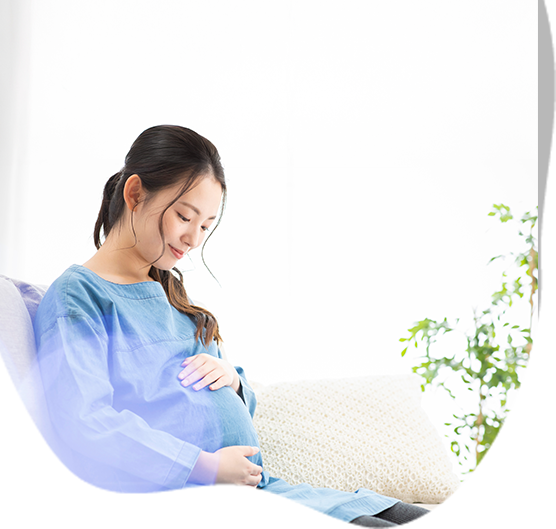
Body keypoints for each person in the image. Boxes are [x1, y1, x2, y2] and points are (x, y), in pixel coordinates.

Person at [34, 125, 454, 529]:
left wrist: (232, 381)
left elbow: (239, 405)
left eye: (205, 225)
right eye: (184, 216)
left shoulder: (174, 297)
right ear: (135, 194)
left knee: (433, 524)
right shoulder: (79, 295)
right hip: (170, 496)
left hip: (248, 487)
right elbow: (86, 421)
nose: (194, 238)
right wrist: (205, 466)